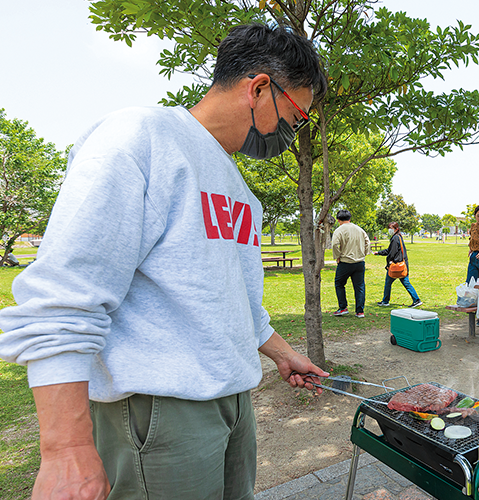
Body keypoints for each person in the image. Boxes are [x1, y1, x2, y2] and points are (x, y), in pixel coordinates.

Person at [0, 24, 329, 500]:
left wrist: (281, 354)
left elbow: (230, 298)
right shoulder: (140, 138)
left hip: (233, 399)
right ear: (259, 89)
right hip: (161, 410)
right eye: (295, 116)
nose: (291, 133)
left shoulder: (239, 189)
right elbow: (66, 296)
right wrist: (65, 448)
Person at [331, 209, 370, 318]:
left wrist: (337, 256)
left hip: (345, 262)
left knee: (339, 284)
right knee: (360, 286)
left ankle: (343, 307)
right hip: (359, 262)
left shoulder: (339, 230)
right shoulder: (359, 229)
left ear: (338, 220)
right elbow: (367, 242)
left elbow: (335, 244)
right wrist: (364, 253)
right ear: (350, 218)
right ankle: (360, 311)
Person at [374, 222, 422, 308]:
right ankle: (416, 300)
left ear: (396, 229)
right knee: (404, 282)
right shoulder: (398, 237)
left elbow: (392, 253)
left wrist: (389, 262)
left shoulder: (395, 238)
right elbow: (390, 250)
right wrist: (379, 252)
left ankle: (385, 301)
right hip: (402, 265)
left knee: (389, 283)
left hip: (396, 266)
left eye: (391, 228)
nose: (389, 230)